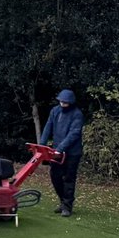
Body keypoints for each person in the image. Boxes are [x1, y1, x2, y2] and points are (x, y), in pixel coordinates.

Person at [41, 88, 85, 217]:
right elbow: (48, 127)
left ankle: (67, 206)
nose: (62, 104)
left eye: (65, 102)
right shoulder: (55, 111)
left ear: (70, 102)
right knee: (55, 177)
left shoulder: (77, 114)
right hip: (56, 152)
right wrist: (42, 144)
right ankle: (62, 201)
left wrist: (60, 148)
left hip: (72, 153)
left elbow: (74, 134)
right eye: (61, 101)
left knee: (69, 179)